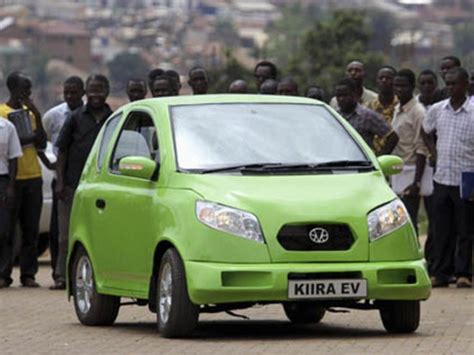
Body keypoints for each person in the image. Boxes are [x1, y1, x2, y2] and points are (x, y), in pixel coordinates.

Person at [54, 74, 113, 289]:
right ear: (86, 92)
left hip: (101, 188)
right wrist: (60, 182)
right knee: (65, 235)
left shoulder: (112, 118)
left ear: (106, 92)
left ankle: (99, 277)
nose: (95, 94)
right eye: (92, 90)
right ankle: (62, 276)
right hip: (72, 186)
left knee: (99, 235)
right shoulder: (75, 118)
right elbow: (62, 152)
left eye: (99, 90)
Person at [423, 67, 474, 288]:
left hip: (467, 177)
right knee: (441, 228)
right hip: (442, 176)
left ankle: (463, 273)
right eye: (448, 84)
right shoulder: (437, 110)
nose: (451, 87)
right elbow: (425, 131)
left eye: (455, 84)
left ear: (466, 85)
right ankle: (440, 273)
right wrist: (434, 153)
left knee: (465, 228)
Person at [0, 72, 47, 288]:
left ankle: (28, 274)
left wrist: (36, 112)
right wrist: (28, 137)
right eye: (23, 90)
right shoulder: (2, 113)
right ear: (12, 89)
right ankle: (4, 273)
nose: (27, 94)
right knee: (7, 229)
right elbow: (11, 141)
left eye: (29, 90)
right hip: (11, 178)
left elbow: (42, 142)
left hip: (33, 176)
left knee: (31, 228)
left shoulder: (30, 113)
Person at [42, 76, 84, 289]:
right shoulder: (53, 115)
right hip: (63, 181)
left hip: (85, 181)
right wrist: (55, 173)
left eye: (74, 92)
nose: (70, 96)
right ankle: (60, 275)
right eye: (67, 93)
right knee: (60, 232)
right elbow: (47, 142)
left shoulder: (89, 117)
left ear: (82, 93)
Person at [390, 69, 429, 235]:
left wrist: (416, 182)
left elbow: (422, 148)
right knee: (397, 221)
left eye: (403, 86)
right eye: (396, 86)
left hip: (411, 171)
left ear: (412, 87)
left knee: (410, 219)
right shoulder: (398, 107)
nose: (399, 89)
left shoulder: (418, 112)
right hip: (397, 170)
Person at [334, 78, 398, 154]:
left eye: (345, 95)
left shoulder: (366, 115)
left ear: (354, 94)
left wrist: (380, 158)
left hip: (361, 163)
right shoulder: (335, 116)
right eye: (339, 96)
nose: (341, 99)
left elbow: (392, 137)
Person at [416, 69, 438, 274]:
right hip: (411, 165)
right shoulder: (414, 106)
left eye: (430, 83)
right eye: (422, 83)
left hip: (434, 168)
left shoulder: (440, 105)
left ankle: (432, 260)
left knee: (434, 217)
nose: (426, 87)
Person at [0, 116, 22, 288]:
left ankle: (3, 274)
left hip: (3, 180)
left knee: (4, 230)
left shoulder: (7, 127)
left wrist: (11, 187)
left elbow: (14, 158)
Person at [367, 66, 399, 155]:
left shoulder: (400, 106)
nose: (384, 81)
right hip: (374, 156)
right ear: (377, 81)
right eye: (381, 78)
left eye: (388, 78)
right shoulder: (369, 106)